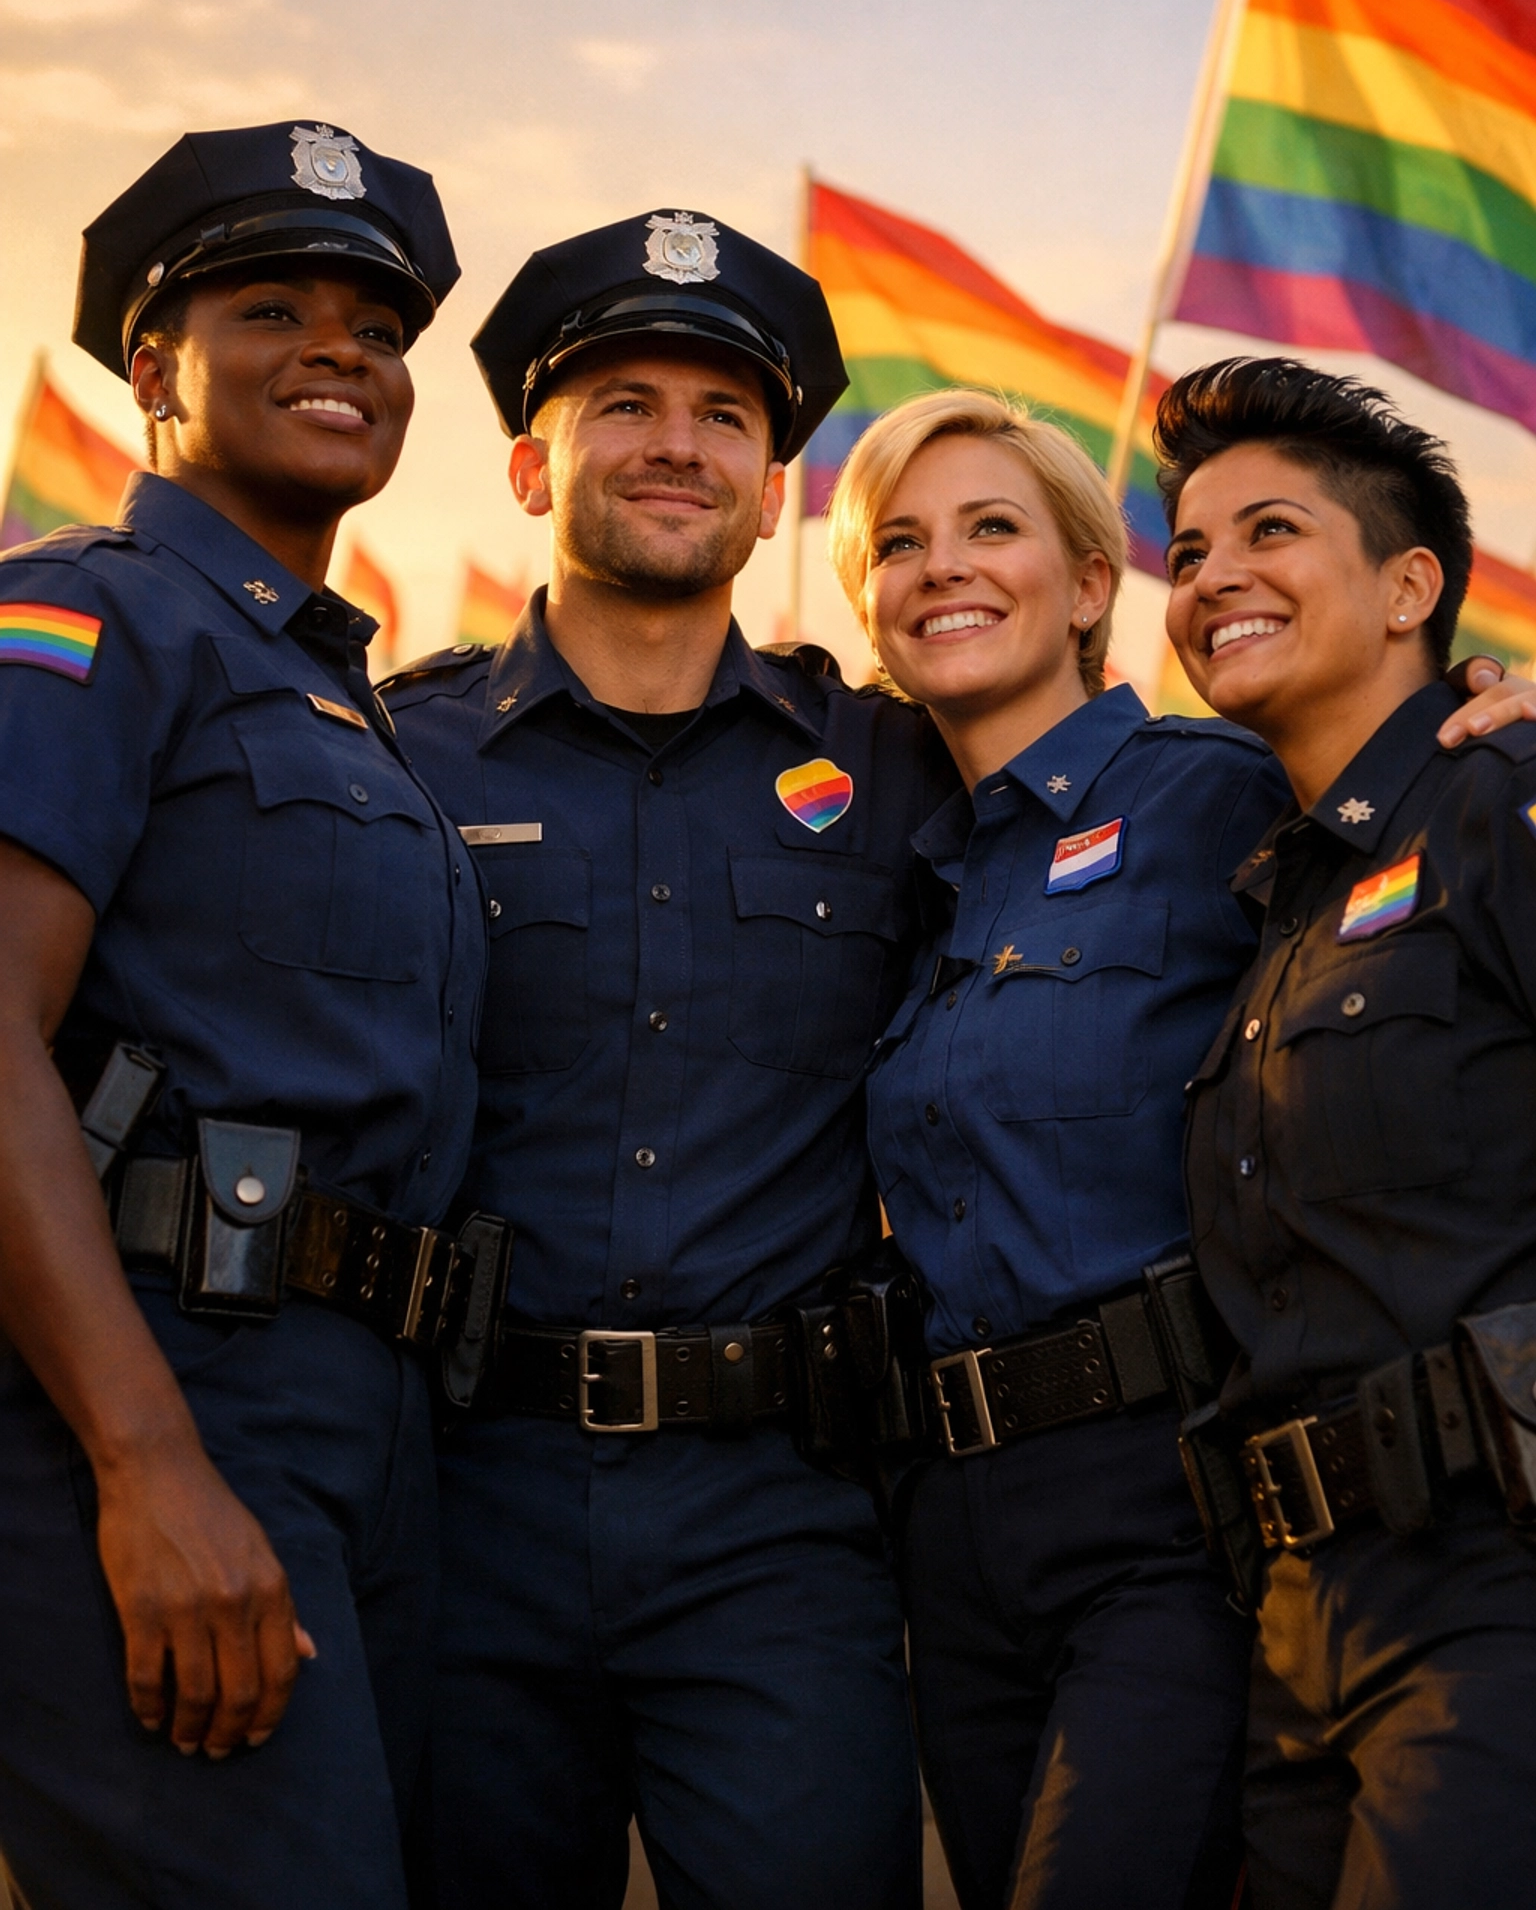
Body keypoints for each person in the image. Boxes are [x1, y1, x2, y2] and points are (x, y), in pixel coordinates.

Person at [822, 384, 1536, 1910]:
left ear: (1092, 587)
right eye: (898, 543)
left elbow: (1405, 787)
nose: (942, 566)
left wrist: (1506, 694)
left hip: (1188, 1504)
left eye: (993, 527)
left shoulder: (1227, 797)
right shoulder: (903, 868)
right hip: (971, 1526)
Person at [381, 210, 947, 1910]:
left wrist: (1471, 714)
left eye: (725, 416)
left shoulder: (904, 768)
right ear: (532, 470)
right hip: (467, 1495)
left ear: (775, 490)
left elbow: (1168, 819)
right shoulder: (388, 753)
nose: (677, 445)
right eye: (623, 403)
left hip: (779, 1524)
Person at [0, 122, 485, 1910]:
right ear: (152, 372)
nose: (337, 349)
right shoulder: (85, 616)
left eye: (374, 326)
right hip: (145, 1394)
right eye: (268, 308)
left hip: (365, 1420)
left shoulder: (347, 699)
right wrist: (148, 1468)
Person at [1159, 357, 1536, 1910]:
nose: (1213, 579)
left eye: (1269, 533)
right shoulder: (1274, 901)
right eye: (1184, 554)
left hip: (1497, 1581)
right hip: (1301, 1611)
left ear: (1409, 589)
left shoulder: (1504, 792)